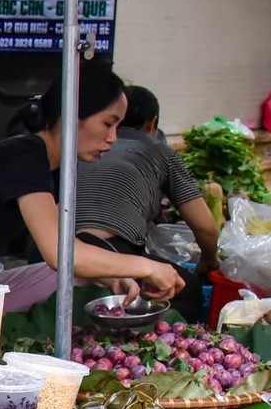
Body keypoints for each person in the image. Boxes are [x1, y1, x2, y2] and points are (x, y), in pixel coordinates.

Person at [0, 60, 185, 338]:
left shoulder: (50, 166)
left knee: (72, 276)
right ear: (72, 114)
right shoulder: (23, 155)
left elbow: (66, 253)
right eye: (108, 123)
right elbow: (56, 252)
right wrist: (145, 266)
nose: (113, 138)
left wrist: (115, 277)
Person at [76, 85, 219, 271]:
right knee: (187, 289)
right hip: (111, 250)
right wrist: (209, 261)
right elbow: (205, 227)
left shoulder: (80, 145)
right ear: (152, 123)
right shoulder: (162, 153)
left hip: (52, 249)